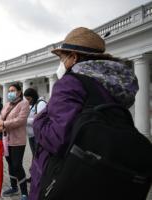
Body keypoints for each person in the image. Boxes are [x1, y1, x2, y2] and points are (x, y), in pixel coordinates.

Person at [29, 27, 139, 199]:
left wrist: (38, 121)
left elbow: (57, 140)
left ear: (73, 57)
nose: (61, 63)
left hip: (64, 177)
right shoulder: (111, 87)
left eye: (62, 57)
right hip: (99, 174)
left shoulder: (69, 83)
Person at [0, 83, 30, 200]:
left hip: (18, 140)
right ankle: (13, 187)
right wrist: (0, 123)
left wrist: (4, 124)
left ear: (19, 92)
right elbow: (0, 116)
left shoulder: (24, 103)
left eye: (13, 90)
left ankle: (25, 192)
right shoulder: (7, 104)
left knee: (17, 165)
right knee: (10, 164)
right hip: (6, 139)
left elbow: (20, 120)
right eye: (9, 90)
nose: (10, 92)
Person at [23, 88, 46, 182]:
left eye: (28, 98)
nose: (28, 101)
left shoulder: (41, 104)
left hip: (38, 136)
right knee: (35, 156)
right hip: (31, 136)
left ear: (33, 96)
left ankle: (39, 177)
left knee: (38, 156)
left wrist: (25, 121)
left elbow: (40, 120)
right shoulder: (32, 105)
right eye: (26, 99)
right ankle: (34, 175)